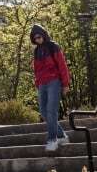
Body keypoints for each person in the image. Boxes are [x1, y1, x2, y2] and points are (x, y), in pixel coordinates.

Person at [30, 23, 71, 152]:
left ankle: (52, 140)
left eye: (39, 36)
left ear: (43, 35)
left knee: (51, 110)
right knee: (43, 111)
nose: (38, 39)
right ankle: (61, 135)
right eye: (35, 38)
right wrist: (37, 83)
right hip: (42, 84)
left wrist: (65, 84)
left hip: (54, 82)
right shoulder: (36, 51)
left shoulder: (53, 46)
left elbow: (62, 65)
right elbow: (36, 69)